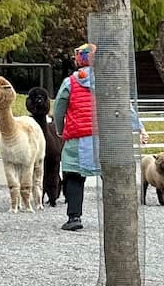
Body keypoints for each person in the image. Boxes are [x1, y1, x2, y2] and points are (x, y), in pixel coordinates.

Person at [51, 41, 147, 233]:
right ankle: (117, 218)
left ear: (79, 60)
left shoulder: (70, 82)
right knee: (110, 177)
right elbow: (124, 107)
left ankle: (74, 217)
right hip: (106, 138)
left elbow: (59, 109)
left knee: (73, 176)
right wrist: (140, 128)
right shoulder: (109, 80)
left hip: (77, 138)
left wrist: (61, 130)